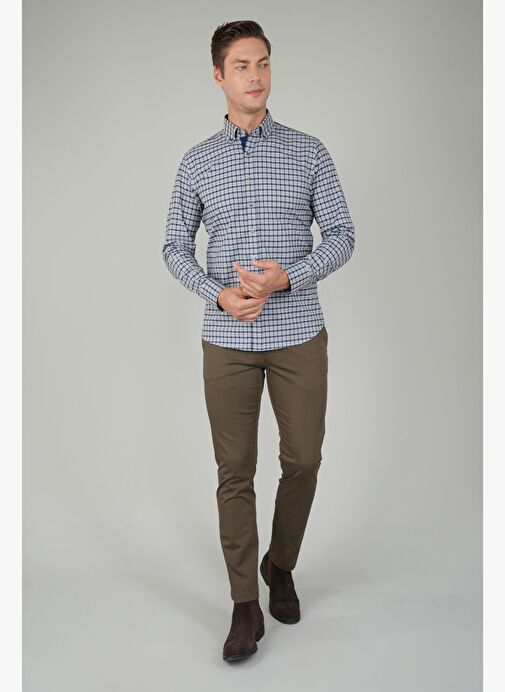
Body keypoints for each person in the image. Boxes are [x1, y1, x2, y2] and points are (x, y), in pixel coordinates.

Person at [162, 19, 356, 662]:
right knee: (235, 470)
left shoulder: (309, 151)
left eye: (264, 63)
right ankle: (245, 602)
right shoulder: (197, 161)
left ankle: (281, 563)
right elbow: (173, 246)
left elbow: (343, 235)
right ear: (219, 76)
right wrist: (216, 292)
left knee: (303, 459)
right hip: (227, 337)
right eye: (243, 65)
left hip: (298, 330)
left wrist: (287, 277)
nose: (256, 76)